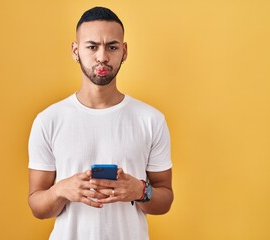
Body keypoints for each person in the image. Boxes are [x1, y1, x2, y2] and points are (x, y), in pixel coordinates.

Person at [28, 6, 174, 240]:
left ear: (124, 51)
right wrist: (61, 190)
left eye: (112, 47)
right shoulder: (48, 120)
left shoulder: (151, 120)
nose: (102, 57)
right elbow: (37, 206)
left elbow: (165, 199)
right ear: (75, 51)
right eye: (92, 46)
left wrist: (140, 191)